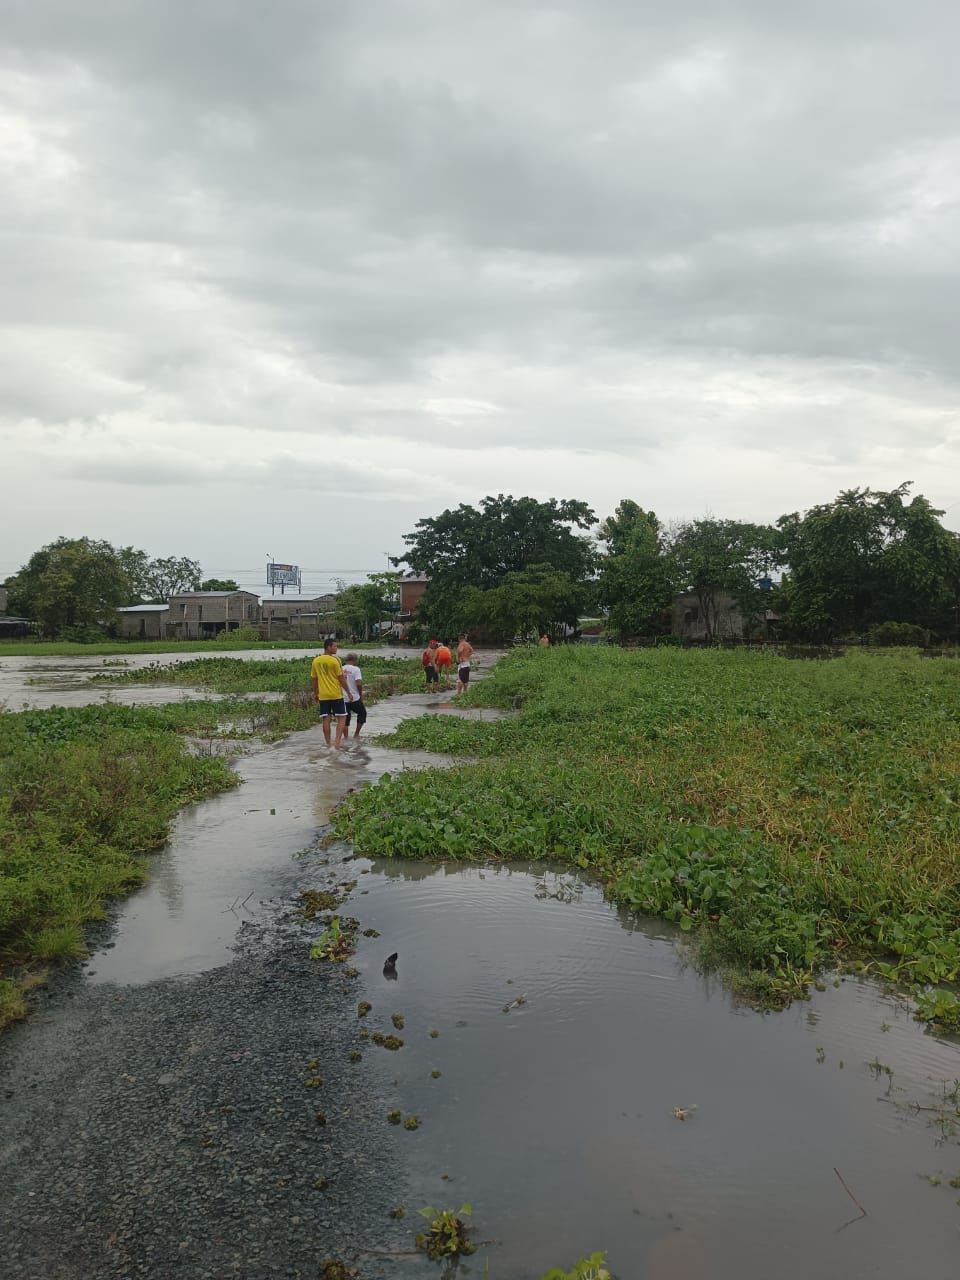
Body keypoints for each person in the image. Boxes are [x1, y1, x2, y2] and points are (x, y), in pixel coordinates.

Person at [310, 637, 349, 747]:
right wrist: (349, 692)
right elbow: (341, 678)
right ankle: (337, 743)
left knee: (326, 719)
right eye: (335, 646)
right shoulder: (335, 660)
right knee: (342, 717)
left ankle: (328, 744)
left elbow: (314, 679)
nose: (336, 648)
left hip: (323, 695)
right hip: (336, 694)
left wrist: (316, 693)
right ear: (328, 647)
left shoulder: (316, 661)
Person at [341, 652, 367, 738]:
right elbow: (359, 684)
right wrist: (360, 695)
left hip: (342, 698)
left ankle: (346, 737)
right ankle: (356, 734)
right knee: (362, 713)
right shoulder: (356, 669)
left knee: (345, 718)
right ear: (355, 660)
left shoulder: (340, 668)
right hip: (354, 697)